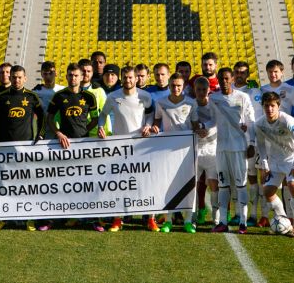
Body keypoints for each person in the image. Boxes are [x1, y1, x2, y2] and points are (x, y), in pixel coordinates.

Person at [98, 66, 154, 232]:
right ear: (121, 78)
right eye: (125, 77)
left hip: (141, 146)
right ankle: (117, 219)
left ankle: (151, 218)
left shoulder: (145, 96)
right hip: (119, 147)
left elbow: (151, 114)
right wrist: (101, 127)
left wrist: (148, 125)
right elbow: (103, 115)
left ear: (136, 78)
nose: (128, 80)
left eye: (131, 77)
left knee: (146, 182)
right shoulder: (113, 97)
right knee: (119, 183)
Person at [46, 63, 101, 231]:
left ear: (81, 77)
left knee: (86, 183)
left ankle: (91, 219)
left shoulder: (90, 97)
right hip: (63, 146)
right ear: (67, 76)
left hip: (83, 145)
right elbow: (49, 118)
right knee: (64, 182)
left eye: (76, 75)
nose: (73, 78)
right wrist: (59, 133)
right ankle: (61, 217)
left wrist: (86, 131)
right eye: (70, 75)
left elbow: (95, 118)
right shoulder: (58, 96)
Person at [0, 65, 44, 232]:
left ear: (25, 78)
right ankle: (4, 218)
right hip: (5, 148)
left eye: (19, 77)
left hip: (26, 148)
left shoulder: (32, 96)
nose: (16, 80)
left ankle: (29, 218)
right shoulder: (0, 97)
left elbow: (43, 116)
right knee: (5, 183)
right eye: (14, 77)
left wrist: (40, 135)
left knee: (26, 185)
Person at [152, 73, 199, 233]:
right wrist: (155, 127)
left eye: (179, 85)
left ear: (184, 85)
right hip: (168, 150)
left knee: (188, 186)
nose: (176, 88)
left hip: (187, 150)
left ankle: (187, 220)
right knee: (168, 186)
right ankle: (168, 221)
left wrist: (200, 128)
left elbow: (194, 123)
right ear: (169, 85)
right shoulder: (161, 102)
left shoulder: (191, 103)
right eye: (173, 85)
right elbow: (157, 120)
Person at [210, 68, 255, 234]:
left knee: (241, 185)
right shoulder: (213, 98)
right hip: (221, 148)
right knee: (223, 185)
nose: (224, 81)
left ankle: (243, 222)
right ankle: (223, 221)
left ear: (233, 78)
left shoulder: (243, 98)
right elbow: (210, 120)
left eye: (227, 78)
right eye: (221, 78)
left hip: (238, 148)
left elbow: (251, 122)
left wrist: (251, 143)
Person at [255, 92, 294, 238]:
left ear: (278, 106)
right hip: (275, 161)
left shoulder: (287, 120)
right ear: (263, 106)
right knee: (267, 191)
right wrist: (265, 165)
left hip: (291, 160)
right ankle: (283, 219)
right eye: (266, 106)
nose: (269, 109)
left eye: (272, 106)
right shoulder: (259, 123)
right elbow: (261, 144)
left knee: (293, 186)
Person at [233, 61, 263, 227]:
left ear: (247, 74)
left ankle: (253, 214)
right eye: (237, 71)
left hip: (250, 141)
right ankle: (238, 213)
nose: (239, 74)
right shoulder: (228, 90)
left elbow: (255, 118)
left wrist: (252, 141)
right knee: (236, 178)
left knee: (252, 177)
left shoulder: (254, 92)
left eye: (243, 72)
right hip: (232, 141)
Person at [191, 77, 219, 229]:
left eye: (204, 89)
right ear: (194, 90)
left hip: (212, 150)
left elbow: (216, 121)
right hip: (195, 149)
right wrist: (197, 128)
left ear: (209, 89)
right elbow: (188, 123)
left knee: (214, 184)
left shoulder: (213, 104)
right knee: (193, 185)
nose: (201, 92)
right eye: (198, 90)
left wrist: (203, 127)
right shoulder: (191, 105)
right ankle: (193, 216)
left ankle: (216, 218)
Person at [33, 61, 65, 139]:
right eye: (45, 74)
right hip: (42, 132)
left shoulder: (63, 90)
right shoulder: (35, 92)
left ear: (56, 73)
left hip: (61, 131)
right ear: (41, 74)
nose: (48, 76)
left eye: (51, 73)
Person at [79, 59, 110, 137]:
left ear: (92, 73)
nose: (86, 73)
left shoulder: (99, 91)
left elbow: (105, 112)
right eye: (83, 71)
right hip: (75, 133)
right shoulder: (70, 91)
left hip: (94, 133)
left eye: (89, 71)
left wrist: (108, 132)